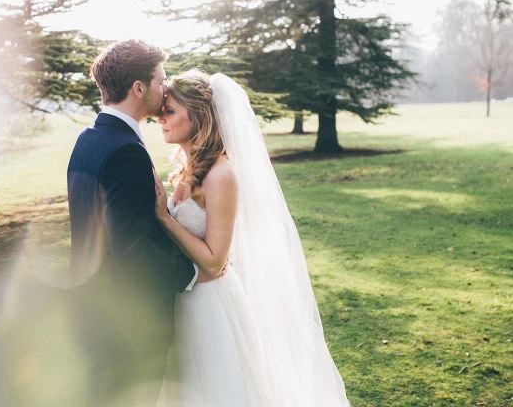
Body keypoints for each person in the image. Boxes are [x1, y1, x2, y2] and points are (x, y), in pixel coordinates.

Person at [154, 69, 350, 407]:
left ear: (198, 116)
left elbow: (215, 259)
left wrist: (163, 218)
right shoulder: (187, 171)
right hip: (184, 299)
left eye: (169, 111)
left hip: (211, 306)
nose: (160, 119)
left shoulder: (220, 175)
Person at [66, 40, 203, 406]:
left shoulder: (88, 140)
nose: (165, 87)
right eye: (160, 79)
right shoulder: (126, 150)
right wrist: (193, 272)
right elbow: (132, 248)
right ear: (138, 88)